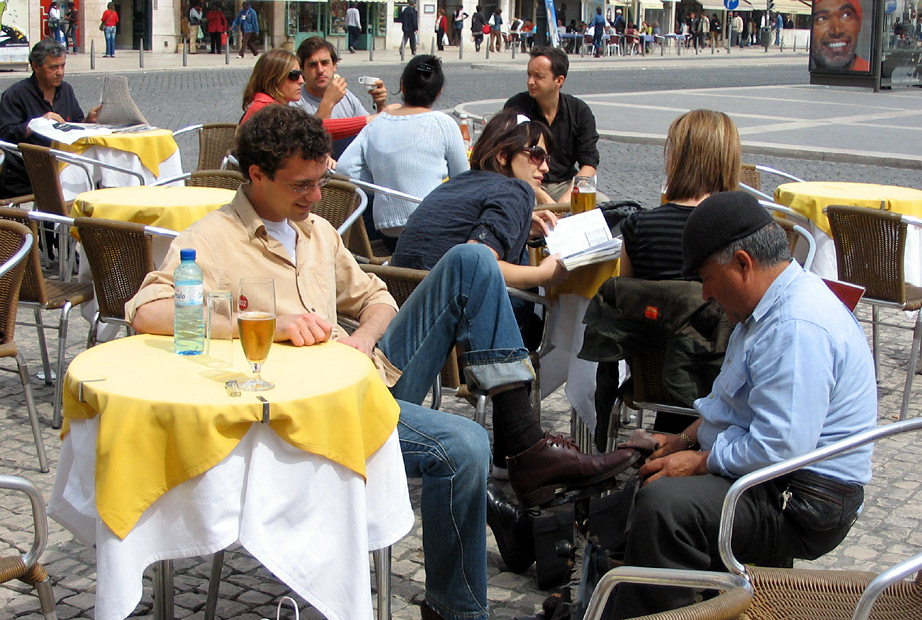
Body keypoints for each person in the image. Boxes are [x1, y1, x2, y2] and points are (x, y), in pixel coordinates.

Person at [126, 104, 637, 620]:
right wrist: (257, 323)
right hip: (302, 420)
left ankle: (526, 446)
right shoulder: (211, 239)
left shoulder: (316, 233)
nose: (316, 196)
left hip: (357, 381)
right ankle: (457, 610)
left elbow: (378, 299)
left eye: (321, 179)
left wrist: (364, 340)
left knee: (472, 260)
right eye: (301, 186)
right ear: (256, 175)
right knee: (465, 443)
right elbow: (147, 311)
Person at [606, 190, 877, 618]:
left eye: (708, 278)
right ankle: (627, 596)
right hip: (779, 479)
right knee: (642, 476)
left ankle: (661, 610)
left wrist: (698, 463)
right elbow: (728, 405)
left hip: (802, 501)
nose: (707, 293)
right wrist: (680, 440)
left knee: (666, 507)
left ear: (743, 264)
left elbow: (781, 449)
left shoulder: (795, 325)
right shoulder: (762, 310)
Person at [338, 55, 469, 248]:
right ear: (439, 92)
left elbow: (344, 167)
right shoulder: (443, 124)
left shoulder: (378, 124)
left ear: (402, 86)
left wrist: (381, 183)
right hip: (430, 227)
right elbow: (462, 180)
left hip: (388, 229)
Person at [0, 39, 100, 199]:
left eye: (62, 66)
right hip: (28, 171)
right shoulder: (15, 94)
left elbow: (75, 125)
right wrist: (37, 124)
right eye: (53, 67)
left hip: (65, 166)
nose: (59, 72)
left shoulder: (66, 90)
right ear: (36, 66)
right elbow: (5, 135)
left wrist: (89, 120)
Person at [504, 46, 600, 204]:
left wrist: (563, 202)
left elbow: (589, 164)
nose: (530, 82)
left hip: (565, 185)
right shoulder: (517, 106)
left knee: (606, 208)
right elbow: (508, 158)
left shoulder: (579, 111)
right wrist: (541, 195)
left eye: (538, 76)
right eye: (529, 75)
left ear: (559, 80)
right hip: (525, 184)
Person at [239, 48, 373, 148]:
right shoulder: (266, 109)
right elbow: (311, 132)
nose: (301, 81)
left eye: (301, 75)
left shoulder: (268, 105)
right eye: (294, 75)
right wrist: (369, 119)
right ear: (273, 79)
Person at [292, 37, 386, 158]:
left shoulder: (346, 96)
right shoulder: (295, 101)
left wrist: (381, 105)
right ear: (302, 71)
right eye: (312, 65)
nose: (320, 70)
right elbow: (308, 145)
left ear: (334, 66)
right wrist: (328, 102)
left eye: (325, 63)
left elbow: (373, 132)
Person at [811, 0, 869, 71]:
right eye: (822, 18)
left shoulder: (869, 72)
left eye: (846, 15)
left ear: (858, 24)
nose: (837, 30)